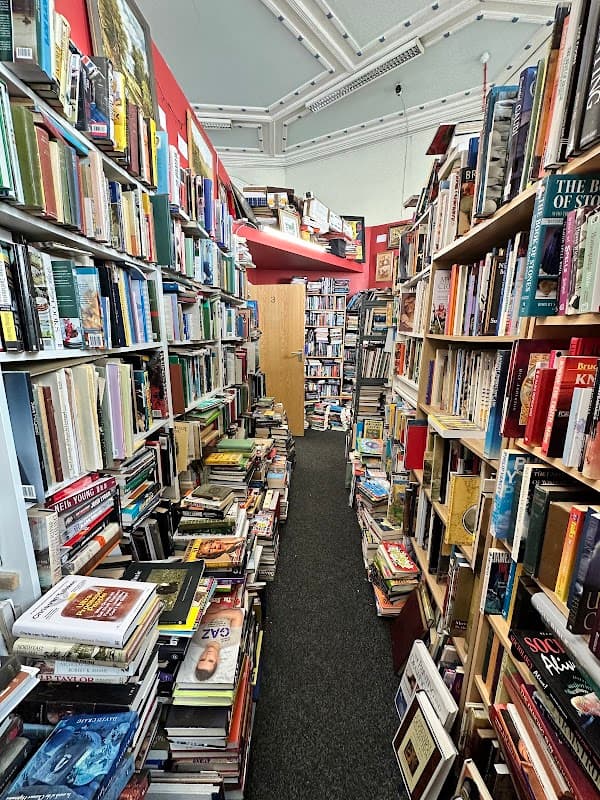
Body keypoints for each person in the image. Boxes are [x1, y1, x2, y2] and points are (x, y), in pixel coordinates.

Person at [193, 606, 244, 681]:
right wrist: (212, 616)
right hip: (231, 604)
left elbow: (198, 615)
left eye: (202, 659)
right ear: (218, 660)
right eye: (211, 660)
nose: (208, 655)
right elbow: (237, 614)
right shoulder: (233, 640)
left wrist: (211, 614)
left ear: (199, 657)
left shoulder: (196, 638)